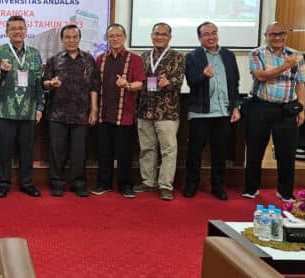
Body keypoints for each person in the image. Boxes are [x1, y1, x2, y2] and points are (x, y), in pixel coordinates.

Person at [242, 21, 305, 202]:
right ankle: (251, 188)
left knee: (286, 153)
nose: (277, 37)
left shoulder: (296, 55)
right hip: (260, 106)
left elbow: (301, 84)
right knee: (255, 151)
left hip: (287, 110)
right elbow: (261, 76)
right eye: (272, 34)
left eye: (281, 33)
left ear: (286, 35)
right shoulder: (256, 53)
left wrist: (301, 108)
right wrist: (285, 66)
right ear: (266, 36)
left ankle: (285, 192)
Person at [183, 21, 241, 200]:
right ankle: (191, 185)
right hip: (200, 112)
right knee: (195, 152)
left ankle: (218, 186)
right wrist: (203, 76)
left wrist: (235, 106)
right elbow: (191, 81)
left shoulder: (229, 56)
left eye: (213, 33)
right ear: (199, 38)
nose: (211, 37)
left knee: (220, 152)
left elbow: (234, 83)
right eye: (206, 34)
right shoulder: (193, 56)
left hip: (223, 111)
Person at [42, 24, 100, 197]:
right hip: (57, 113)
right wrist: (51, 84)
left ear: (79, 39)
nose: (71, 40)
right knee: (57, 151)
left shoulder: (89, 60)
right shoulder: (54, 60)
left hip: (82, 113)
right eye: (67, 37)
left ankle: (78, 183)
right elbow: (44, 82)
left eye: (75, 37)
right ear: (62, 40)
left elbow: (94, 86)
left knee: (79, 152)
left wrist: (94, 109)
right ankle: (57, 182)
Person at [0, 15, 44, 198]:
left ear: (26, 30)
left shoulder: (34, 53)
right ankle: (3, 183)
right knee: (4, 150)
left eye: (21, 28)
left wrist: (40, 107)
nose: (17, 31)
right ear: (7, 32)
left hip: (28, 110)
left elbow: (39, 82)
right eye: (13, 28)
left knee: (27, 150)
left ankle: (27, 183)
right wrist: (2, 71)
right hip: (5, 110)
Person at [92, 24, 145, 198]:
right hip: (104, 113)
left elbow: (140, 83)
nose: (115, 38)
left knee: (124, 153)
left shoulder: (135, 59)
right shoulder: (100, 59)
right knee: (104, 152)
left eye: (118, 35)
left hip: (126, 115)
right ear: (107, 39)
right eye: (111, 36)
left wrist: (127, 85)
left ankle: (125, 185)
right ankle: (103, 184)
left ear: (125, 37)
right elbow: (95, 86)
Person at [135, 22, 185, 201]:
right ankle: (148, 182)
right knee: (147, 148)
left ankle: (165, 185)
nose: (159, 37)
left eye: (163, 34)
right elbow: (140, 81)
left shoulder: (177, 57)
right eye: (156, 33)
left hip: (167, 111)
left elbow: (178, 80)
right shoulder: (143, 57)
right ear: (151, 35)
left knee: (168, 150)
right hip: (145, 109)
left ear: (169, 37)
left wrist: (168, 82)